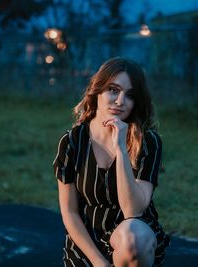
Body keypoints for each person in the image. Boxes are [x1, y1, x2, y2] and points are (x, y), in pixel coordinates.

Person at [53, 57, 170, 267]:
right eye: (113, 90)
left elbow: (133, 211)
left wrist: (121, 150)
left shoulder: (148, 141)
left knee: (134, 239)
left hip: (132, 238)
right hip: (87, 242)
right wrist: (99, 262)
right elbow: (69, 211)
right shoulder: (72, 142)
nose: (120, 101)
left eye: (130, 95)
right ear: (97, 90)